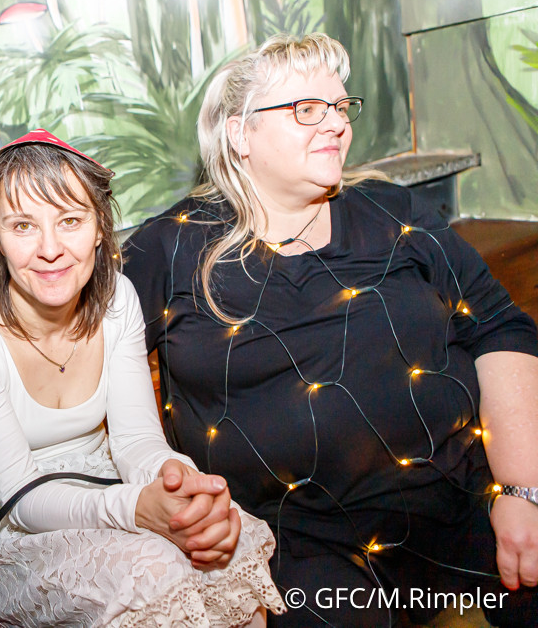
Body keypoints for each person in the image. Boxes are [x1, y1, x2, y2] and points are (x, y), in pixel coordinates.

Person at [123, 33, 538, 627]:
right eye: (307, 109)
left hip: (465, 499)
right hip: (302, 548)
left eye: (341, 107)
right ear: (240, 134)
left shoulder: (395, 213)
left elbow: (498, 328)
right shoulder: (172, 248)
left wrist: (522, 491)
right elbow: (91, 379)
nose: (337, 124)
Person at [0, 129, 285, 627]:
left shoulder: (116, 296)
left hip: (110, 482)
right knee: (153, 570)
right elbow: (23, 498)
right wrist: (139, 508)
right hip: (15, 527)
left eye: (70, 220)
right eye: (23, 225)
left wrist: (180, 486)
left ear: (99, 226)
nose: (49, 249)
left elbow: (137, 442)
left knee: (231, 537)